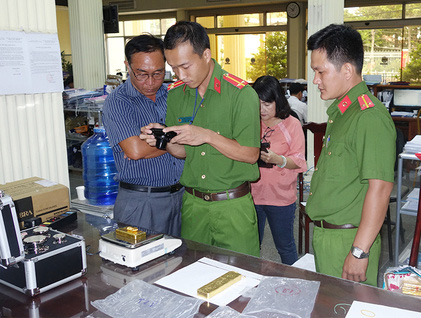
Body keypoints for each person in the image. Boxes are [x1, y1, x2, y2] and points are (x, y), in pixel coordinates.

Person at [140, 21, 261, 256]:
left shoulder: (241, 95)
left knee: (243, 279)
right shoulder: (176, 95)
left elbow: (250, 154)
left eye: (185, 66)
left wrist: (206, 135)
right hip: (194, 205)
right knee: (193, 275)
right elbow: (184, 152)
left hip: (232, 206)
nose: (180, 75)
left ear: (206, 55)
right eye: (173, 68)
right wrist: (165, 139)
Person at [305, 24, 397, 286]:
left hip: (349, 241)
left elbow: (379, 189)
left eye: (320, 71)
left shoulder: (369, 117)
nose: (315, 80)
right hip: (330, 237)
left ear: (347, 70)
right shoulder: (344, 112)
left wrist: (359, 251)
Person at [102, 34, 185, 237]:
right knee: (142, 265)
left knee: (181, 261)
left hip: (182, 196)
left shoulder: (174, 95)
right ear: (127, 66)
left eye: (158, 73)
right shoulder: (118, 102)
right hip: (141, 202)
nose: (151, 82)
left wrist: (157, 140)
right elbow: (135, 150)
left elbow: (196, 137)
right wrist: (178, 139)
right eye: (142, 73)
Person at [251, 75, 307, 265]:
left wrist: (279, 160)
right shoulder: (251, 122)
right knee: (251, 247)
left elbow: (299, 161)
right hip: (252, 195)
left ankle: (295, 288)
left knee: (285, 246)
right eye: (257, 104)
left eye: (267, 104)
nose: (261, 110)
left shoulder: (292, 124)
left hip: (281, 198)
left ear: (278, 100)